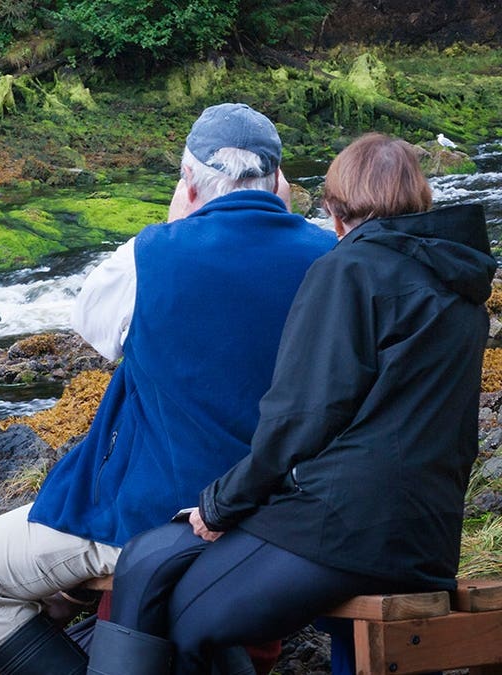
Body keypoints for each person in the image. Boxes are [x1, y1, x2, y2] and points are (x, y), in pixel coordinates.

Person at [0, 102, 336, 675]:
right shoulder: (333, 259)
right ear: (279, 183)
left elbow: (100, 335)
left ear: (188, 182)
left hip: (159, 518)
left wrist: (174, 225)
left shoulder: (147, 256)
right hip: (286, 523)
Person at [96, 132, 496, 675]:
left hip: (341, 531)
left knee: (183, 617)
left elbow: (301, 416)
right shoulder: (459, 288)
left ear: (334, 209)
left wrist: (219, 505)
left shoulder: (349, 269)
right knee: (179, 584)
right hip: (426, 538)